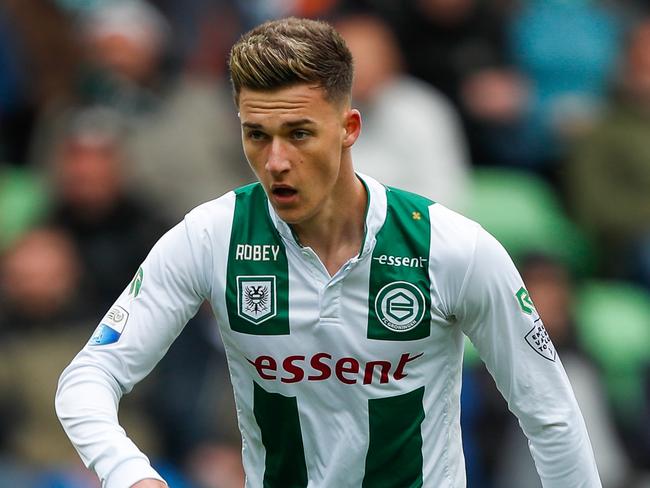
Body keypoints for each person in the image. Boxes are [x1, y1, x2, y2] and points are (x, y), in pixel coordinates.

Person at [56, 17, 601, 488]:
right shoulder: (211, 238)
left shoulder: (452, 248)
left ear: (349, 128)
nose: (275, 161)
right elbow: (87, 379)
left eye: (298, 134)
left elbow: (550, 414)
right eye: (256, 135)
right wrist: (129, 472)